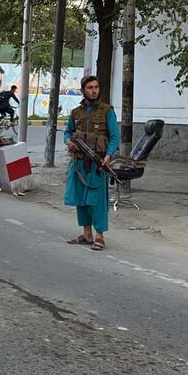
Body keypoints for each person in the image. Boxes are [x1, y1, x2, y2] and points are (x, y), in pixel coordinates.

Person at [63, 75, 119, 251]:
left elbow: (114, 137)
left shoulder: (107, 111)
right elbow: (67, 133)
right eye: (90, 87)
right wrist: (68, 142)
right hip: (79, 163)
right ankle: (87, 234)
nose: (94, 90)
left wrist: (108, 156)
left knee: (97, 201)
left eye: (96, 87)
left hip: (98, 164)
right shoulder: (75, 113)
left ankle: (100, 235)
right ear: (83, 90)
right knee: (81, 200)